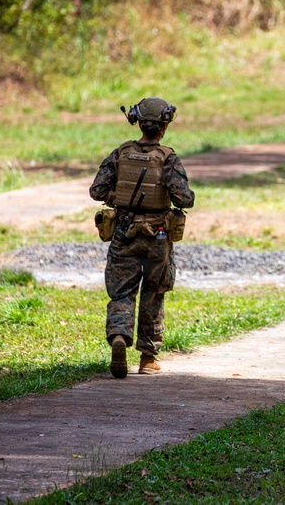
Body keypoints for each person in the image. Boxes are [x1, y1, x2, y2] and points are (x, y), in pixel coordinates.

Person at [89, 97, 195, 379]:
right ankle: (147, 359)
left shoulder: (120, 153)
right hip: (158, 237)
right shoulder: (168, 157)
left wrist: (119, 196)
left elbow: (97, 191)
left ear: (137, 121)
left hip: (123, 232)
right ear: (164, 125)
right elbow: (185, 198)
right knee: (154, 292)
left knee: (122, 291)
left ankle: (120, 337)